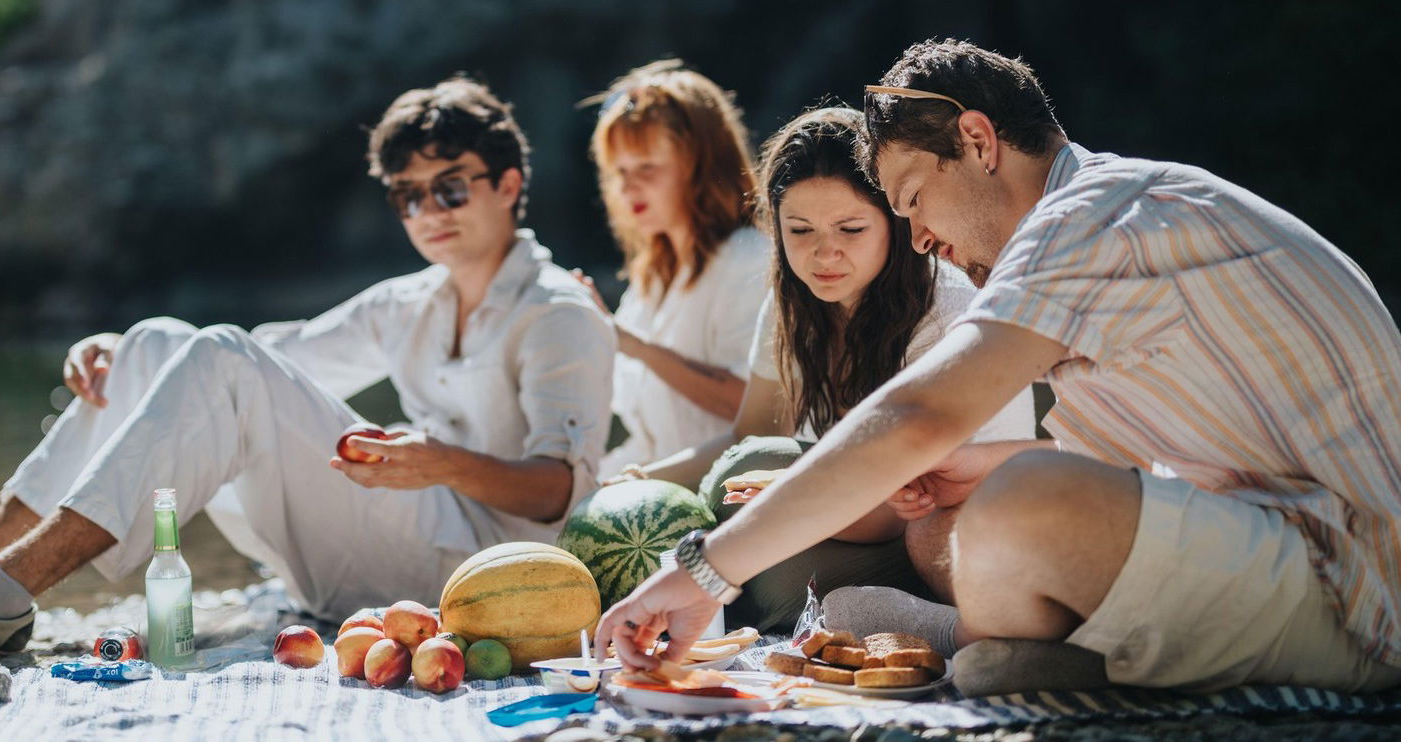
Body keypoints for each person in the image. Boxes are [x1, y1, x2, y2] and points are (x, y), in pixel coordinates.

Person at [594, 38, 1401, 698]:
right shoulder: (1107, 216)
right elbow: (1119, 465)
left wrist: (702, 571)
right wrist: (965, 465)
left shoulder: (1091, 215)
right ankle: (1069, 660)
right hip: (1272, 542)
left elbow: (915, 415)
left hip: (1350, 589)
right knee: (974, 507)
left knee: (1018, 508)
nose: (916, 239)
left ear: (977, 144)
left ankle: (959, 639)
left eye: (911, 199)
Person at [0, 76, 616, 663]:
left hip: (484, 579)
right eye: (407, 197)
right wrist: (124, 351)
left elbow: (560, 491)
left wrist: (434, 462)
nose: (426, 214)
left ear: (509, 185)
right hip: (388, 540)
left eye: (449, 188)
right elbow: (262, 361)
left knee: (215, 355)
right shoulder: (410, 301)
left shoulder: (558, 314)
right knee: (167, 339)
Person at [615, 106, 1034, 632]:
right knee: (743, 473)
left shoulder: (944, 311)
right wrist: (631, 482)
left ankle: (940, 627)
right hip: (845, 508)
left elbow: (905, 505)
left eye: (851, 228)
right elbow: (749, 435)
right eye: (800, 230)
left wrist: (791, 496)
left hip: (945, 527)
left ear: (894, 222)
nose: (824, 253)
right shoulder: (793, 303)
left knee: (783, 575)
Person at [570, 60, 769, 479]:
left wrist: (632, 345)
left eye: (646, 168)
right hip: (652, 486)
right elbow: (639, 430)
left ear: (701, 166)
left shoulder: (749, 259)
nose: (627, 187)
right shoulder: (650, 279)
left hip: (727, 496)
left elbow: (757, 411)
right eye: (619, 171)